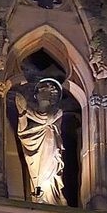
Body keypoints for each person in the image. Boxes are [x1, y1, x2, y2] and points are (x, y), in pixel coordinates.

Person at [17, 77, 67, 206]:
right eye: (40, 91)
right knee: (38, 174)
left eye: (45, 91)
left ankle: (50, 199)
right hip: (35, 148)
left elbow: (45, 119)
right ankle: (40, 196)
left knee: (49, 174)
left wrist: (24, 109)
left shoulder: (57, 112)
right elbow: (23, 132)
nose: (41, 94)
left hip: (50, 148)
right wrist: (22, 115)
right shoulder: (31, 112)